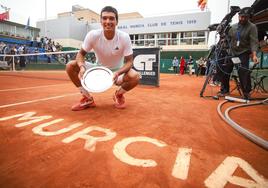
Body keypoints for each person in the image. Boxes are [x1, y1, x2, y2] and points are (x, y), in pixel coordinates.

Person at [66, 6, 140, 111]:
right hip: (98, 70)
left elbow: (129, 62)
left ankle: (118, 95)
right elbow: (81, 54)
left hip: (117, 74)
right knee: (70, 66)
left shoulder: (124, 37)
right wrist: (82, 67)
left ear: (116, 21)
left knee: (135, 76)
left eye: (111, 18)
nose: (108, 21)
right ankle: (88, 99)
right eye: (104, 18)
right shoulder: (92, 35)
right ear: (100, 21)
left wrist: (118, 73)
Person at [218, 7, 259, 99]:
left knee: (243, 72)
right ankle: (225, 90)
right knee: (225, 70)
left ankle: (246, 92)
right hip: (231, 53)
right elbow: (228, 38)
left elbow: (254, 42)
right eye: (241, 16)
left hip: (243, 53)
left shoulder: (252, 27)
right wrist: (223, 39)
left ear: (249, 17)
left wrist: (254, 55)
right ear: (238, 16)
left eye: (245, 17)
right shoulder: (233, 27)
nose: (242, 19)